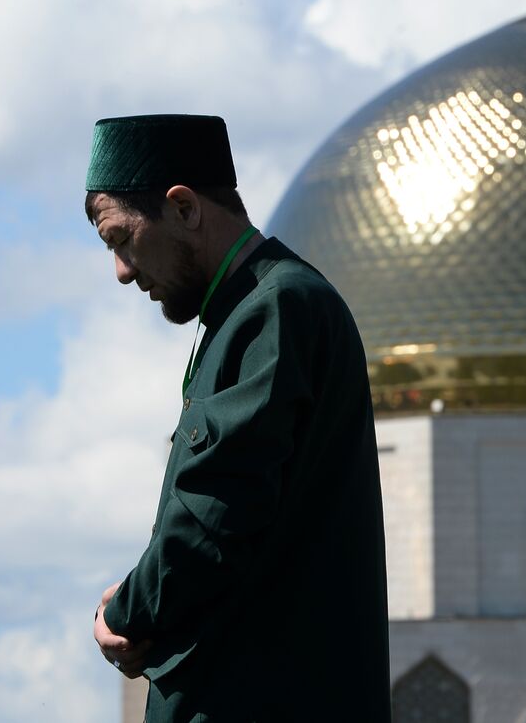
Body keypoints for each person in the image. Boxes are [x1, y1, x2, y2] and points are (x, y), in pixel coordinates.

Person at [84, 114, 391, 721]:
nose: (121, 270)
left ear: (184, 208)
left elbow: (215, 510)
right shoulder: (245, 314)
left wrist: (126, 614)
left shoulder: (274, 309)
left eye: (121, 238)